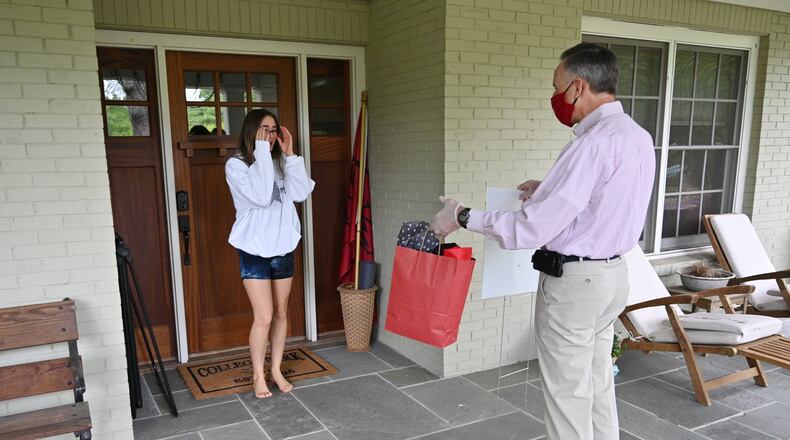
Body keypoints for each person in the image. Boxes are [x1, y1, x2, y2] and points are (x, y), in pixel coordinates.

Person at [431, 43, 655, 440]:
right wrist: (547, 188)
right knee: (597, 379)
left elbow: (531, 229)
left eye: (557, 87)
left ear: (578, 87)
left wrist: (462, 216)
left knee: (567, 393)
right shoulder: (635, 136)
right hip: (614, 277)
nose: (555, 97)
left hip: (575, 287)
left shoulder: (593, 143)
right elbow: (605, 199)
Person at [225, 109, 315, 398]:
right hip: (254, 249)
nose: (271, 135)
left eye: (274, 129)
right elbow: (262, 196)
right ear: (252, 131)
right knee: (263, 316)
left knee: (280, 312)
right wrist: (262, 150)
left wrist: (290, 156)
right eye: (265, 129)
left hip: (282, 246)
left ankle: (276, 369)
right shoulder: (236, 165)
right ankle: (257, 374)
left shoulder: (279, 162)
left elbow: (300, 193)